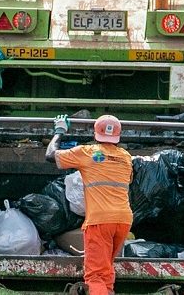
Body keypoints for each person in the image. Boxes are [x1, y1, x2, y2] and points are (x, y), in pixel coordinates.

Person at [45, 114, 132, 295]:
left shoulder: (88, 152)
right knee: (106, 272)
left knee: (95, 276)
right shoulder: (126, 157)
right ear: (118, 135)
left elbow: (50, 155)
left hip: (100, 221)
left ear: (95, 134)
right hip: (123, 220)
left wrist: (59, 131)